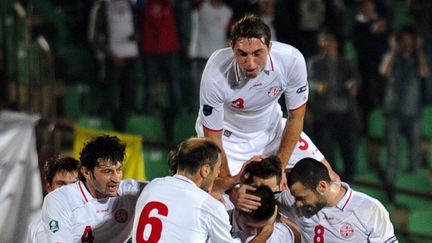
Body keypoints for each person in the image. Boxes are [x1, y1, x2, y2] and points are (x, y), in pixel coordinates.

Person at [195, 14, 338, 190]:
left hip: (274, 131)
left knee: (332, 180)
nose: (250, 62)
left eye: (257, 53)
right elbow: (214, 138)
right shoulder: (215, 73)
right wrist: (230, 186)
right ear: (231, 48)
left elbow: (295, 118)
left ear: (269, 47)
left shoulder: (291, 61)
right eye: (242, 54)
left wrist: (279, 168)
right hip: (230, 142)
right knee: (227, 198)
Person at [132, 137, 274, 243]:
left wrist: (236, 179)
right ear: (205, 170)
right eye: (217, 169)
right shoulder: (209, 206)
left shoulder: (153, 186)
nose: (218, 174)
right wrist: (266, 231)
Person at [41, 135, 147, 242]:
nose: (116, 179)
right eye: (107, 171)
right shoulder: (59, 200)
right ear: (86, 172)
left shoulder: (130, 191)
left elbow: (162, 188)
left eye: (119, 170)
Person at [279, 158, 398, 242]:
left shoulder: (369, 209)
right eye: (295, 197)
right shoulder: (298, 203)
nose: (297, 204)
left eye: (302, 198)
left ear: (322, 187)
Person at [379, 26, 430, 197]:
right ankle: (391, 193)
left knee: (414, 154)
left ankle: (412, 192)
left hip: (413, 113)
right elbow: (384, 71)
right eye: (404, 40)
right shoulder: (392, 57)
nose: (407, 43)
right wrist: (393, 50)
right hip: (394, 112)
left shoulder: (418, 58)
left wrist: (419, 50)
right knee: (393, 155)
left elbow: (424, 72)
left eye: (410, 40)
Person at [308, 29, 360, 180]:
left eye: (329, 40)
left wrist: (352, 85)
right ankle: (331, 180)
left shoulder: (347, 61)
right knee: (326, 150)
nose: (326, 44)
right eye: (323, 41)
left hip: (345, 111)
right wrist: (319, 87)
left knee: (348, 148)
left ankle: (351, 180)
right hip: (325, 113)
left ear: (336, 43)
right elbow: (309, 82)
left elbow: (355, 79)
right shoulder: (315, 62)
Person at [88, 0, 140, 130]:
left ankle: (125, 126)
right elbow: (93, 36)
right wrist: (110, 55)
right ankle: (112, 126)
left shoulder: (130, 5)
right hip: (111, 60)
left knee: (129, 94)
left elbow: (138, 27)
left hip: (130, 57)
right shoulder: (102, 6)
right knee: (111, 96)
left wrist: (137, 36)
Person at [27, 156, 80, 243]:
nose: (68, 191)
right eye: (61, 184)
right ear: (49, 188)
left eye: (74, 185)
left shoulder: (101, 220)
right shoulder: (36, 228)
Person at [228, 185, 294, 243]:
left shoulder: (281, 235)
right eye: (249, 226)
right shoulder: (220, 217)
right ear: (238, 211)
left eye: (261, 228)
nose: (253, 233)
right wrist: (266, 231)